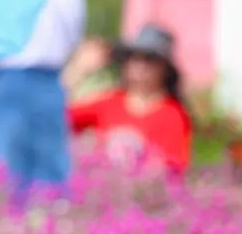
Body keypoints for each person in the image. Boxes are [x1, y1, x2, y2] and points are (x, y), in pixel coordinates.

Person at [0, 0, 87, 208]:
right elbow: (74, 37)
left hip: (9, 79)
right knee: (50, 170)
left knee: (1, 169)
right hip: (51, 81)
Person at [64, 23, 193, 175]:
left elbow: (174, 169)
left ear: (165, 68)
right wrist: (78, 70)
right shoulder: (109, 102)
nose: (140, 64)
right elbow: (56, 118)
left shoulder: (173, 115)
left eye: (149, 59)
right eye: (133, 57)